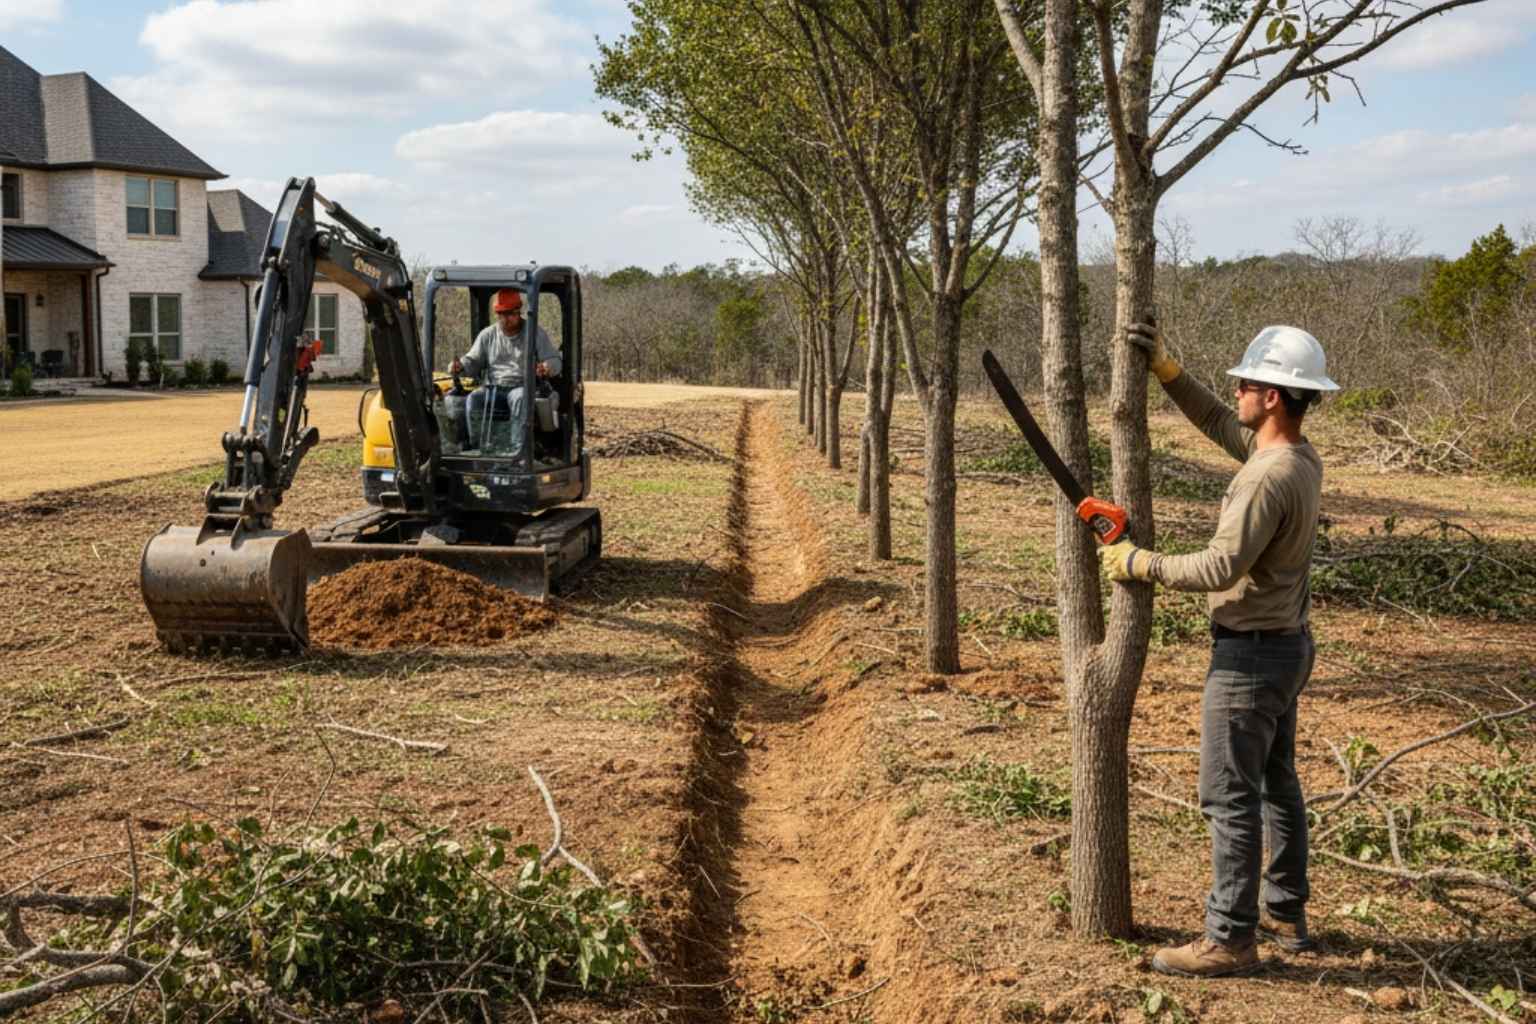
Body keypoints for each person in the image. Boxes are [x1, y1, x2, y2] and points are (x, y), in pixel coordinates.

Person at [1099, 321, 1339, 978]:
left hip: (1250, 659)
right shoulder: (1296, 456)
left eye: (1246, 382)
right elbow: (1218, 422)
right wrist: (1168, 371)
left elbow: (1221, 565)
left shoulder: (1267, 479)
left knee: (1229, 795)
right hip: (1287, 646)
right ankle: (1286, 914)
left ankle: (1230, 938)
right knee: (1277, 782)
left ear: (1271, 397)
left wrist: (1138, 563)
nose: (1235, 388)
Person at [449, 288, 561, 454]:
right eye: (501, 314)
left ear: (519, 312)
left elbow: (554, 359)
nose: (505, 319)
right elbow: (473, 360)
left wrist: (547, 367)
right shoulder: (488, 335)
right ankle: (478, 448)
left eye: (509, 314)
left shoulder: (534, 333)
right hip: (494, 388)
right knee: (474, 399)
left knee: (520, 398)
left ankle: (518, 451)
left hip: (522, 386)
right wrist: (461, 366)